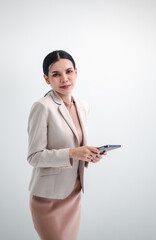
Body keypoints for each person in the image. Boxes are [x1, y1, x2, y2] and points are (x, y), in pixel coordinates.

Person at [27, 50, 107, 240]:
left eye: (68, 72)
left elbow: (76, 145)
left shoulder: (82, 106)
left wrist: (89, 154)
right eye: (56, 74)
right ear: (47, 79)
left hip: (74, 193)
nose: (64, 79)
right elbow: (34, 156)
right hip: (48, 199)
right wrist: (72, 153)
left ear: (76, 72)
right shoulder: (42, 107)